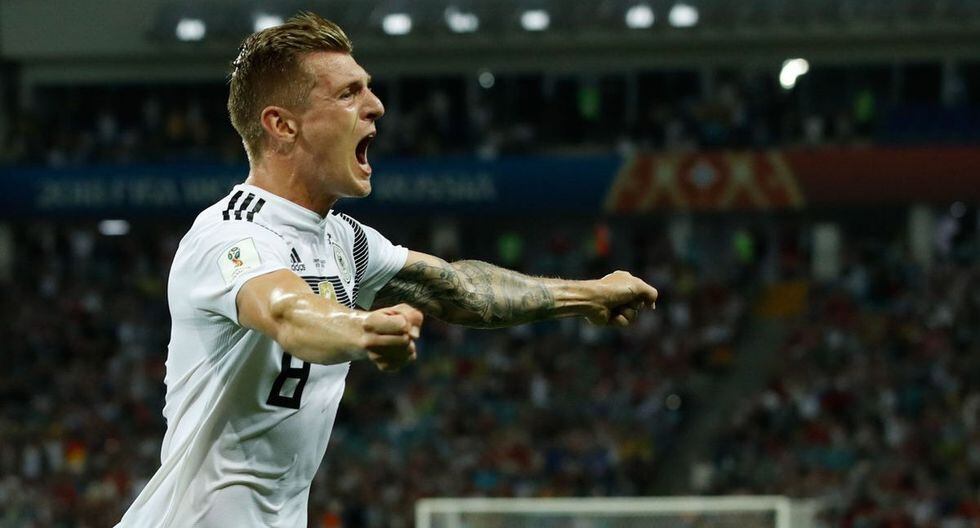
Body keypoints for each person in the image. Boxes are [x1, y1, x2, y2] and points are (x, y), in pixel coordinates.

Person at [115, 12, 659, 527]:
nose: (375, 106)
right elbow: (286, 312)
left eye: (368, 89)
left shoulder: (344, 241)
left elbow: (457, 289)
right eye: (348, 94)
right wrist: (360, 329)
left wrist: (588, 295)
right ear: (282, 125)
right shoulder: (231, 235)